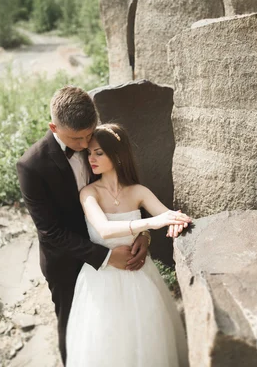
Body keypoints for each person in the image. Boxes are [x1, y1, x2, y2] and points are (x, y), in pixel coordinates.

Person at [16, 86, 153, 364]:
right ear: (53, 127)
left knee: (121, 324)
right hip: (66, 262)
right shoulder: (31, 166)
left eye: (89, 134)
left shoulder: (97, 142)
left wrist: (143, 232)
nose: (85, 144)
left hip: (116, 246)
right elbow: (50, 231)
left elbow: (124, 189)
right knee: (75, 332)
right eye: (76, 138)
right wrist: (104, 256)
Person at [66, 123, 191, 367]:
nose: (91, 158)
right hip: (100, 280)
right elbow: (104, 229)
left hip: (139, 277)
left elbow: (168, 216)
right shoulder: (90, 193)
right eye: (89, 153)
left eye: (99, 153)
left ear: (117, 154)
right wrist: (151, 224)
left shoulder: (138, 192)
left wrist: (175, 222)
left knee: (146, 340)